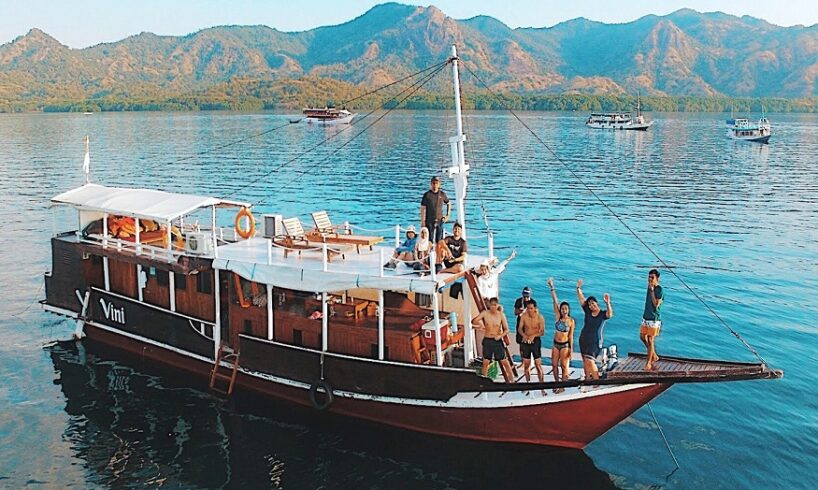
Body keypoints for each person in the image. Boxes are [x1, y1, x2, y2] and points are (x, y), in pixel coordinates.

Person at [575, 279, 613, 381]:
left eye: (593, 303)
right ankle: (587, 379)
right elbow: (581, 299)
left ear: (597, 303)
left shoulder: (602, 314)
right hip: (583, 339)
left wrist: (608, 303)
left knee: (590, 361)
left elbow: (610, 314)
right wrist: (578, 288)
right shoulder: (588, 311)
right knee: (585, 361)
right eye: (590, 304)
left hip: (595, 342)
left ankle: (596, 381)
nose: (591, 306)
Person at [471, 297, 515, 383]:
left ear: (497, 305)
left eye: (495, 305)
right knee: (485, 362)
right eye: (491, 305)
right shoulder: (485, 313)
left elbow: (507, 329)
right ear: (489, 305)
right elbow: (474, 321)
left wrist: (500, 336)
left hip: (497, 341)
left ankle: (511, 380)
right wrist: (481, 325)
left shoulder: (501, 315)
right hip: (487, 340)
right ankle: (483, 381)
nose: (493, 307)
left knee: (504, 361)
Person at [548, 277, 575, 391]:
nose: (564, 310)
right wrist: (552, 287)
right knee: (554, 365)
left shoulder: (571, 321)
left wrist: (571, 350)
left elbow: (571, 336)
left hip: (564, 345)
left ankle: (562, 386)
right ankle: (557, 383)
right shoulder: (558, 317)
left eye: (566, 309)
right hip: (555, 344)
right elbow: (555, 301)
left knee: (564, 366)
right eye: (562, 309)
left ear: (568, 310)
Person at [640, 269, 664, 370]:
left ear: (657, 278)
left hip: (654, 319)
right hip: (646, 316)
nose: (649, 279)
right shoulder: (649, 287)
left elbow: (656, 304)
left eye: (652, 277)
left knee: (650, 340)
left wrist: (652, 291)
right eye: (649, 277)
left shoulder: (659, 289)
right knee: (642, 337)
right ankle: (653, 354)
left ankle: (649, 363)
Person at [518, 299, 546, 386]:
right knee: (526, 365)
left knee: (538, 365)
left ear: (535, 308)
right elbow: (520, 329)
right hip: (526, 341)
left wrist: (533, 336)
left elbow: (542, 332)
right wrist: (524, 335)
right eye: (528, 308)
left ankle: (542, 386)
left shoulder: (539, 317)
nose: (529, 310)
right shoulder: (524, 316)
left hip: (535, 342)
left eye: (531, 308)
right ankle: (528, 384)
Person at [420, 175, 450, 243]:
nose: (435, 185)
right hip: (429, 220)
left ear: (439, 184)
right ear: (431, 184)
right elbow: (422, 208)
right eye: (433, 183)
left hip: (440, 220)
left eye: (436, 183)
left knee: (439, 240)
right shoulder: (427, 195)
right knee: (429, 240)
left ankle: (438, 253)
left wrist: (447, 215)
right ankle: (429, 253)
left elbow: (448, 203)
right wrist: (422, 221)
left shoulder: (442, 194)